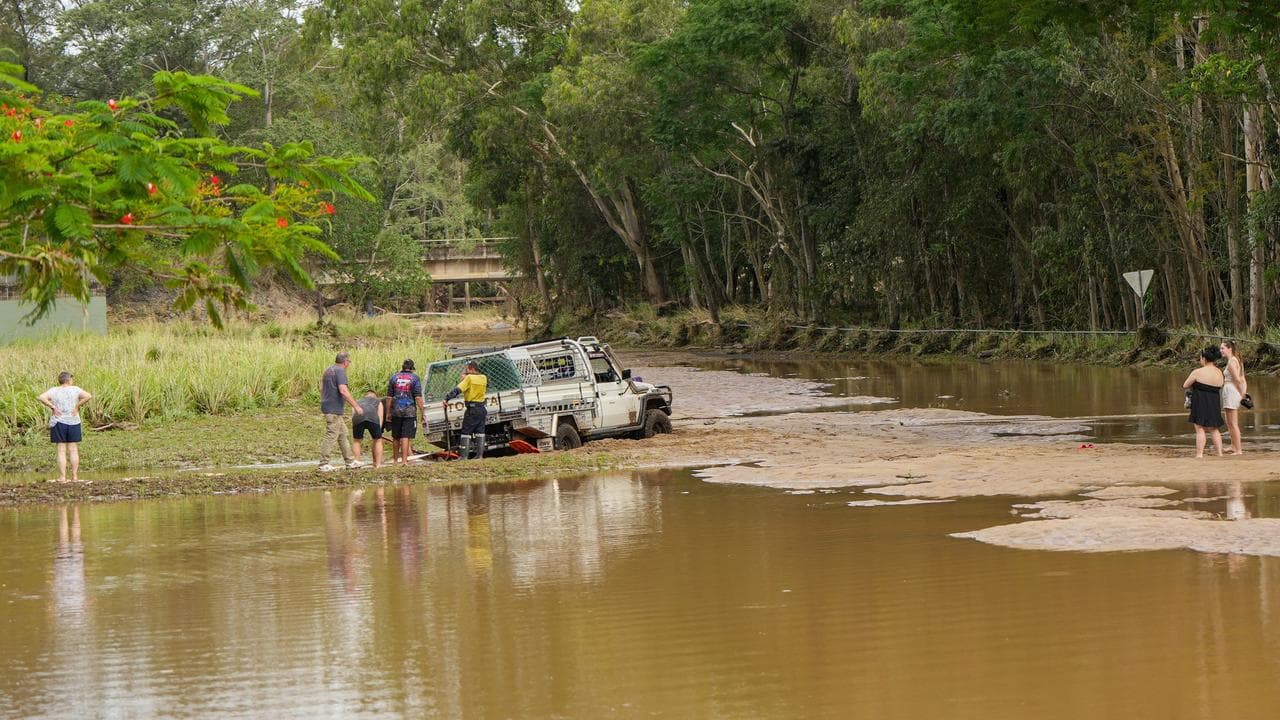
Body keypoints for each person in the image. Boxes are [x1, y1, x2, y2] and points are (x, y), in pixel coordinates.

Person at [37, 372, 92, 482]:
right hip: (74, 421)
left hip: (58, 422)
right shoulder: (75, 389)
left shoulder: (54, 390)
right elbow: (88, 396)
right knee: (73, 449)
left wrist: (52, 407)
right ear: (69, 380)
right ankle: (75, 476)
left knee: (61, 450)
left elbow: (41, 397)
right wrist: (77, 406)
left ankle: (62, 477)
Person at [320, 352, 363, 471]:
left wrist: (325, 400)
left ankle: (349, 461)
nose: (348, 364)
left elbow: (321, 388)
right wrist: (356, 406)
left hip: (329, 407)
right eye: (348, 362)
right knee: (331, 435)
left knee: (343, 434)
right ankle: (323, 464)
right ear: (345, 362)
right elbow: (343, 391)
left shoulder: (328, 370)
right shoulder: (340, 371)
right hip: (333, 409)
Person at [1183, 346, 1225, 458]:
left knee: (1199, 428)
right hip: (1214, 401)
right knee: (1214, 428)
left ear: (1204, 358)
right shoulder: (1219, 372)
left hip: (1200, 400)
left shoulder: (1197, 372)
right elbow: (1221, 385)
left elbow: (1185, 385)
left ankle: (1199, 454)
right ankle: (1220, 453)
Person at [445, 361, 489, 460]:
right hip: (482, 408)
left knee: (466, 431)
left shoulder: (469, 378)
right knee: (480, 431)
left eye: (467, 369)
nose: (466, 371)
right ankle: (479, 456)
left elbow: (458, 390)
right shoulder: (484, 377)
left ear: (472, 369)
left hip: (472, 409)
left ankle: (463, 456)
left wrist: (447, 398)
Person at [386, 359, 425, 466]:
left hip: (396, 411)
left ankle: (395, 460)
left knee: (396, 437)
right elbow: (418, 397)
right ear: (412, 369)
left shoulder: (394, 377)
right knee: (405, 436)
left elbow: (389, 397)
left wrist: (388, 412)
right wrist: (423, 412)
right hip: (409, 412)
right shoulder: (415, 378)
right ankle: (404, 461)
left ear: (402, 367)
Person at [1219, 340, 1247, 456]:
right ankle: (1233, 445)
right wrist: (1243, 392)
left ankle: (1238, 449)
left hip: (1231, 391)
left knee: (1233, 422)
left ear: (1229, 348)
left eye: (1222, 348)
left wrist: (1242, 395)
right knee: (1229, 422)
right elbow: (1243, 379)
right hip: (1231, 391)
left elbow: (1238, 379)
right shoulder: (1235, 360)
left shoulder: (1232, 362)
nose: (1221, 351)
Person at [352, 389, 385, 468]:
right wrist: (378, 430)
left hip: (358, 418)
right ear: (375, 395)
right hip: (373, 418)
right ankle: (378, 464)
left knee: (357, 441)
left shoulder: (357, 401)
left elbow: (353, 414)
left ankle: (356, 461)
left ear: (365, 395)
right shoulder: (378, 401)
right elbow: (380, 416)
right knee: (377, 440)